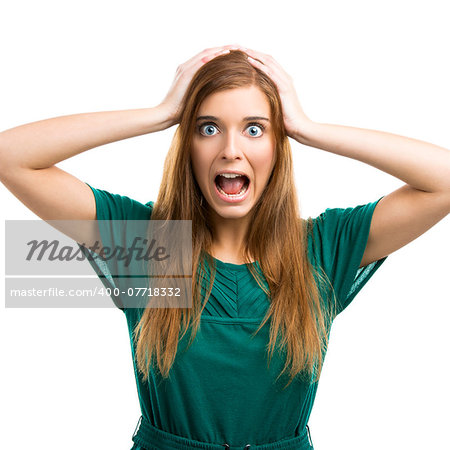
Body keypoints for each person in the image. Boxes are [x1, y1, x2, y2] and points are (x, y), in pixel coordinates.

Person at [1, 44, 449, 450]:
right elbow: (10, 157)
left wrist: (307, 128)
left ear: (278, 145)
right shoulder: (150, 246)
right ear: (188, 144)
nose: (231, 149)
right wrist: (159, 114)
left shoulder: (320, 248)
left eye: (255, 129)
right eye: (208, 127)